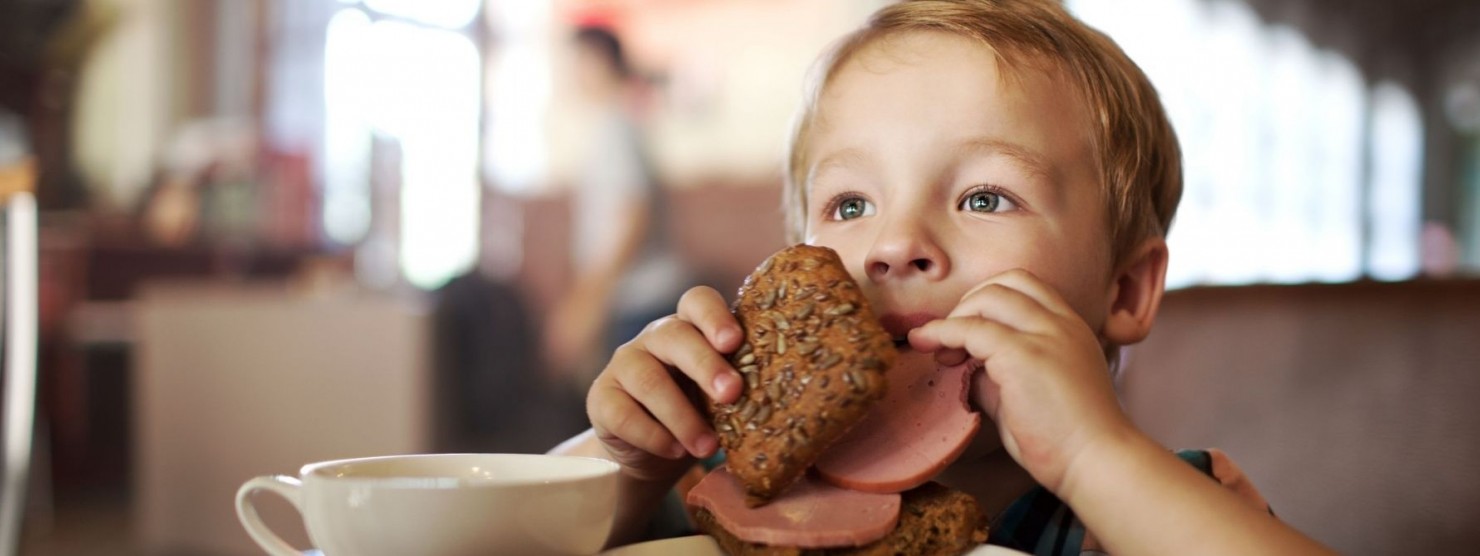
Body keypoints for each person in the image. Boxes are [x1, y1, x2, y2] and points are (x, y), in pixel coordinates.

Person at [550, 1, 1334, 553]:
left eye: (985, 197)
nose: (895, 244)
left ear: (1124, 291)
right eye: (851, 204)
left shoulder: (1172, 505)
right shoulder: (720, 487)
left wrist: (1095, 459)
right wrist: (627, 466)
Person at [544, 26, 691, 390]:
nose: (569, 75)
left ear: (599, 62)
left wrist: (584, 307)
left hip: (639, 301)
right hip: (634, 300)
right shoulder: (619, 124)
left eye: (575, 62)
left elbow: (632, 219)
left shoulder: (615, 128)